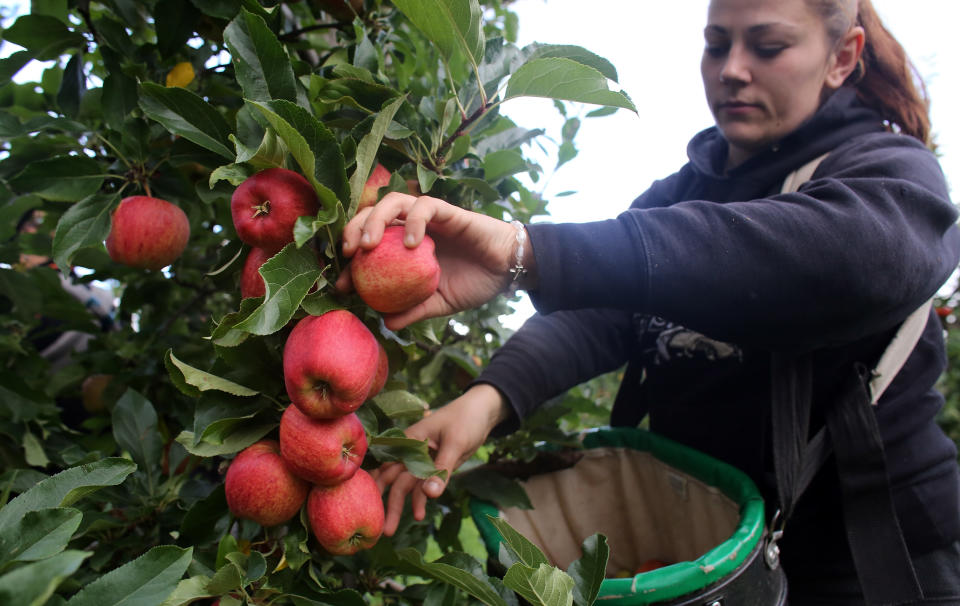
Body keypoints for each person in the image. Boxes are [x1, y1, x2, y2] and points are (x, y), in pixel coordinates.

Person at [339, 0, 960, 603]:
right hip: (705, 550)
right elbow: (606, 313)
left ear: (842, 57)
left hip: (872, 555)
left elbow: (851, 261)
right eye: (717, 44)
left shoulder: (887, 170)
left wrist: (533, 252)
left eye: (768, 46)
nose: (732, 69)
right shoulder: (680, 195)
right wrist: (486, 400)